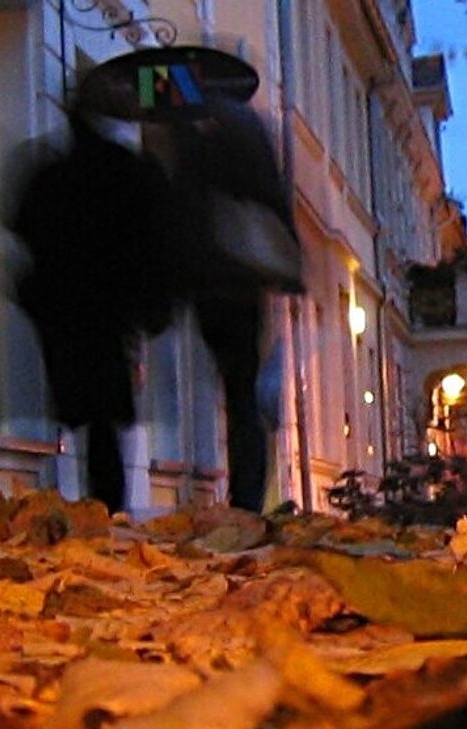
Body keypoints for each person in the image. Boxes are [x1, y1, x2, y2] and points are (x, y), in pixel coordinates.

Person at [8, 100, 178, 513]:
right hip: (108, 309)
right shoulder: (123, 171)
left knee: (85, 405)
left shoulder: (53, 175)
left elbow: (24, 226)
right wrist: (151, 303)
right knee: (103, 411)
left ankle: (98, 502)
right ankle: (106, 505)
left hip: (67, 307)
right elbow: (153, 236)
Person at [167, 95, 304, 513]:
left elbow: (183, 204)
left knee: (224, 379)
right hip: (245, 282)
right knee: (244, 392)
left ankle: (211, 476)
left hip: (208, 281)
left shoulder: (195, 138)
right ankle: (247, 498)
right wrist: (291, 263)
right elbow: (274, 197)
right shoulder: (249, 132)